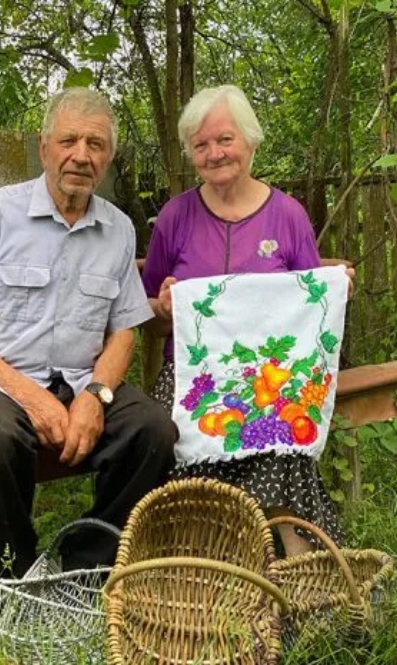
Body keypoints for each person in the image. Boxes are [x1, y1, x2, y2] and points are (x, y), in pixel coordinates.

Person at [0, 88, 178, 579]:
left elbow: (124, 332)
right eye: (69, 140)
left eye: (96, 144)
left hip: (82, 378)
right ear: (45, 148)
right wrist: (30, 397)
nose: (81, 156)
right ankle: (22, 573)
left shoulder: (119, 229)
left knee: (154, 432)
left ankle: (88, 567)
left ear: (107, 158)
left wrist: (96, 393)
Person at [142, 84, 350, 555]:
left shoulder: (288, 215)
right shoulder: (175, 217)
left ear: (251, 142)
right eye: (201, 145)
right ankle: (206, 555)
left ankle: (293, 561)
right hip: (189, 376)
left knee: (281, 428)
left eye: (225, 140)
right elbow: (147, 316)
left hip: (271, 376)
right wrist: (164, 306)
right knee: (171, 430)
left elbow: (311, 305)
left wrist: (335, 288)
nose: (214, 153)